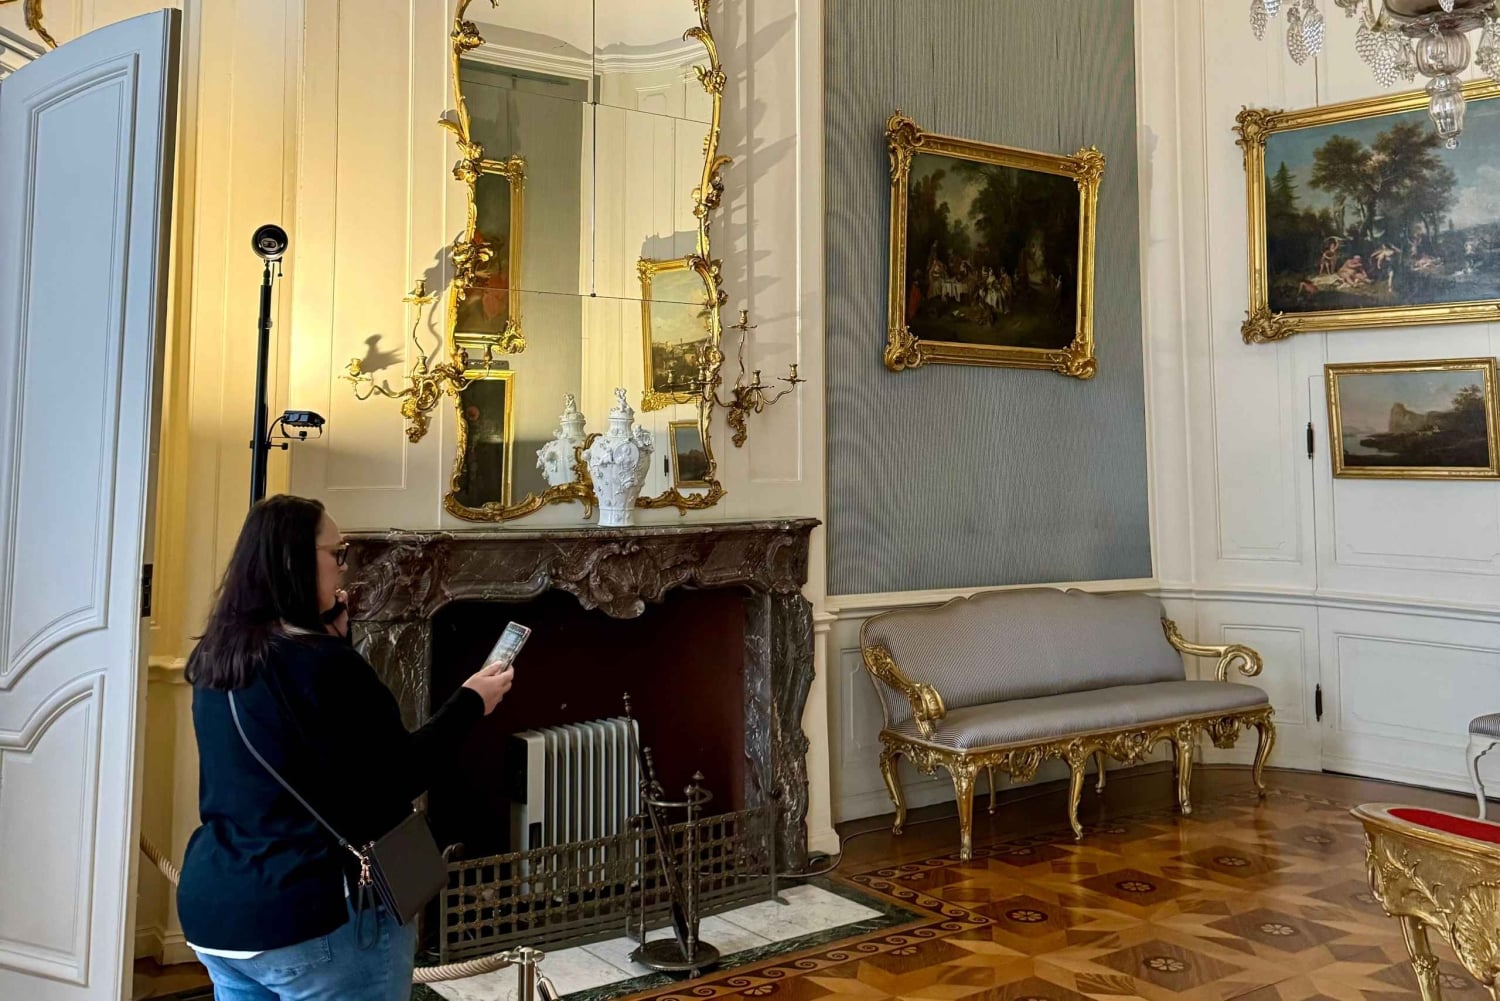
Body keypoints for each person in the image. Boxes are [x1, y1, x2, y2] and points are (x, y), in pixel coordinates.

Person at [176, 495, 515, 1000]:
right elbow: (401, 773)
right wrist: (470, 702)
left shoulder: (215, 658)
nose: (344, 569)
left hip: (219, 910)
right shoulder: (325, 666)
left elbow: (306, 762)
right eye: (337, 553)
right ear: (295, 559)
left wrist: (332, 638)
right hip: (313, 914)